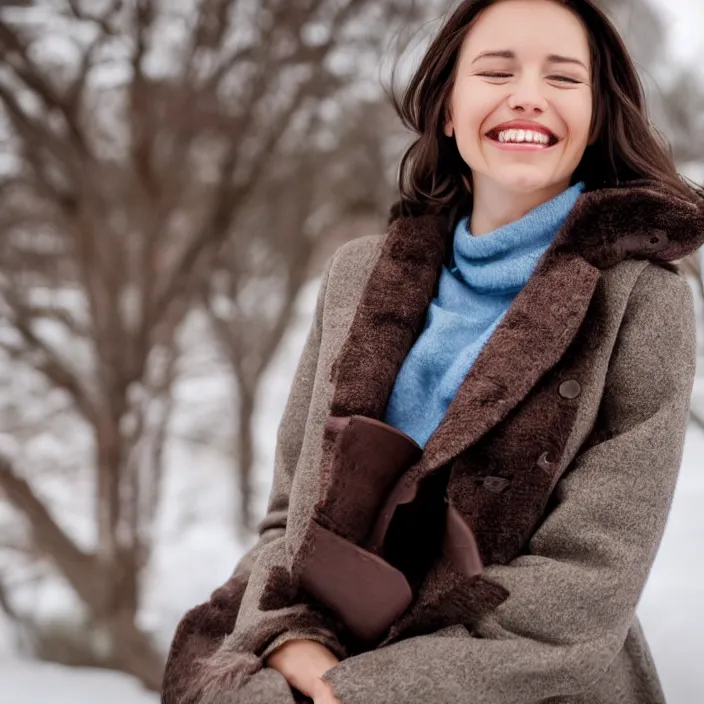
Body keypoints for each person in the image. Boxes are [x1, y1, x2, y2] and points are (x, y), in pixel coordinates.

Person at [161, 1, 704, 702]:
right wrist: (291, 643)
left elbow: (589, 582)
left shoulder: (642, 301)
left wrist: (368, 692)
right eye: (496, 70)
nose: (529, 96)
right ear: (448, 108)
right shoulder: (357, 278)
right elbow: (287, 522)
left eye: (564, 79)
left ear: (597, 120)